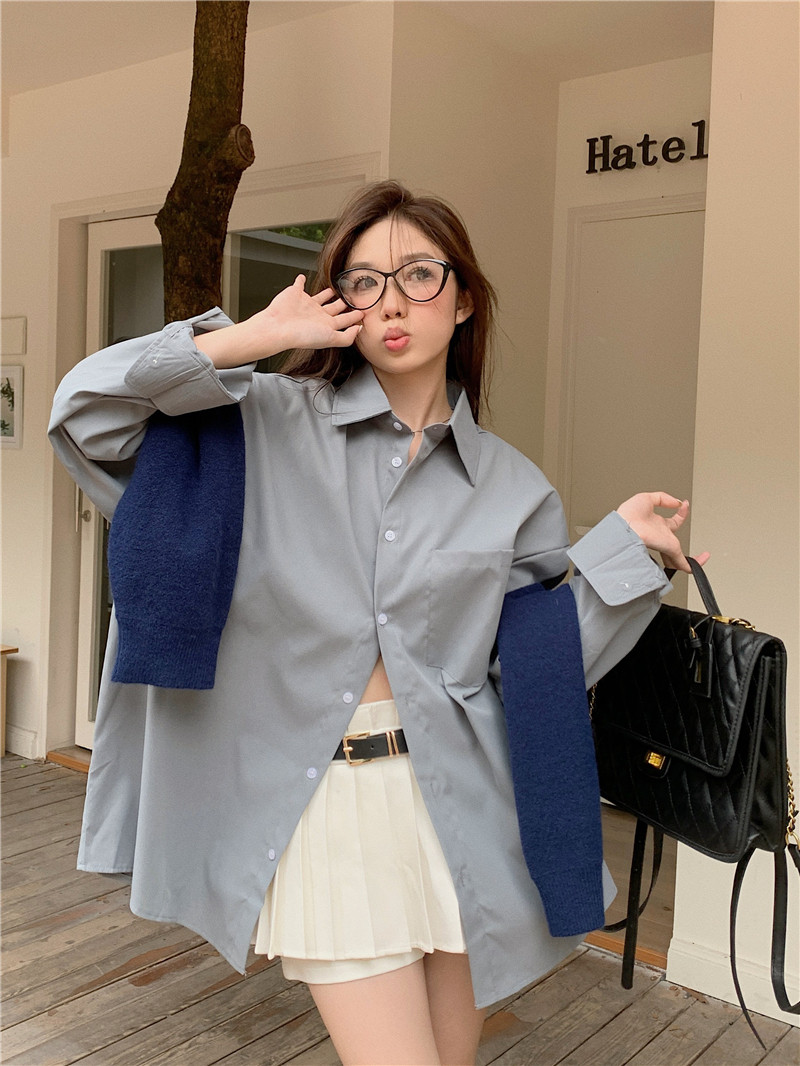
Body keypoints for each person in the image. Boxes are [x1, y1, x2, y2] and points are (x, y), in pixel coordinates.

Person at [49, 180, 706, 1066]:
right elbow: (85, 412)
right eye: (365, 281)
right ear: (341, 303)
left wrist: (627, 556)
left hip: (461, 808)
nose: (392, 301)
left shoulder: (513, 487)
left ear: (464, 299)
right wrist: (252, 338)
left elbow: (533, 671)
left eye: (420, 274)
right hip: (324, 805)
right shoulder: (258, 421)